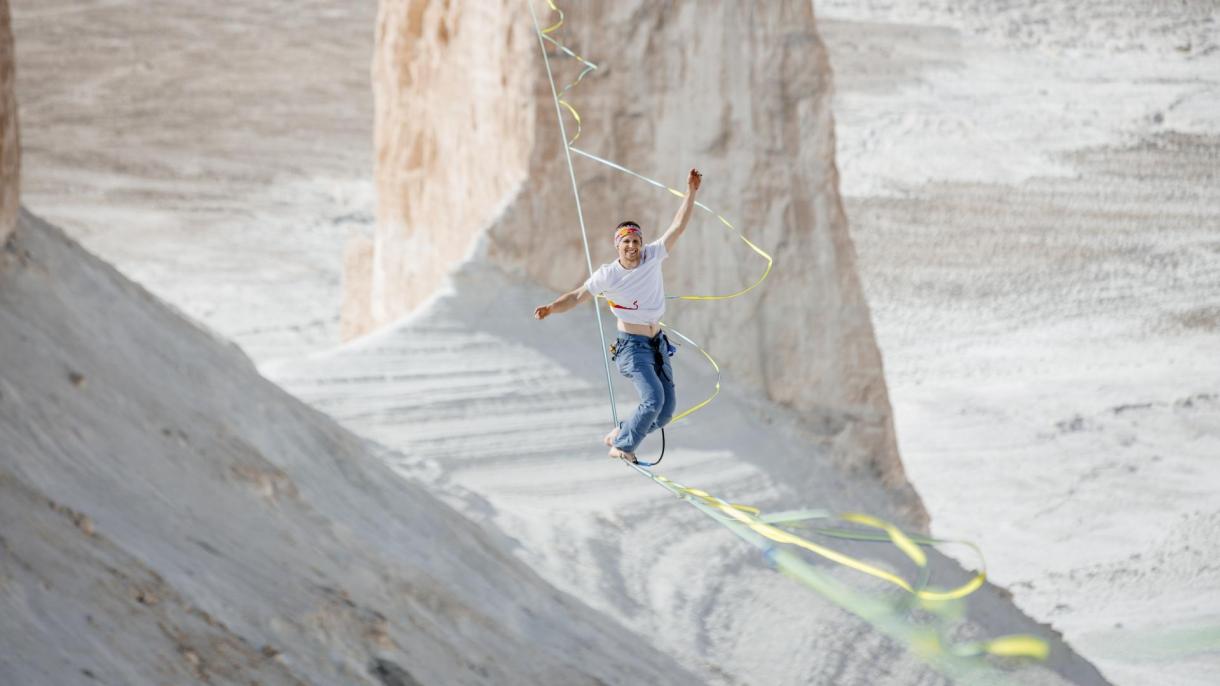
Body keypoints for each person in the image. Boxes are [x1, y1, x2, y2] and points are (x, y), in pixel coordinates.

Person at [534, 168, 702, 463]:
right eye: (626, 242)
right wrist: (551, 307)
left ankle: (622, 433)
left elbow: (678, 226)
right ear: (617, 245)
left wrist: (691, 193)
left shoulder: (653, 256)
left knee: (664, 413)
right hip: (633, 347)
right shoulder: (608, 275)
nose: (632, 246)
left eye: (636, 241)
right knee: (653, 400)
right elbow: (576, 296)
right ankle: (623, 447)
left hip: (658, 344)